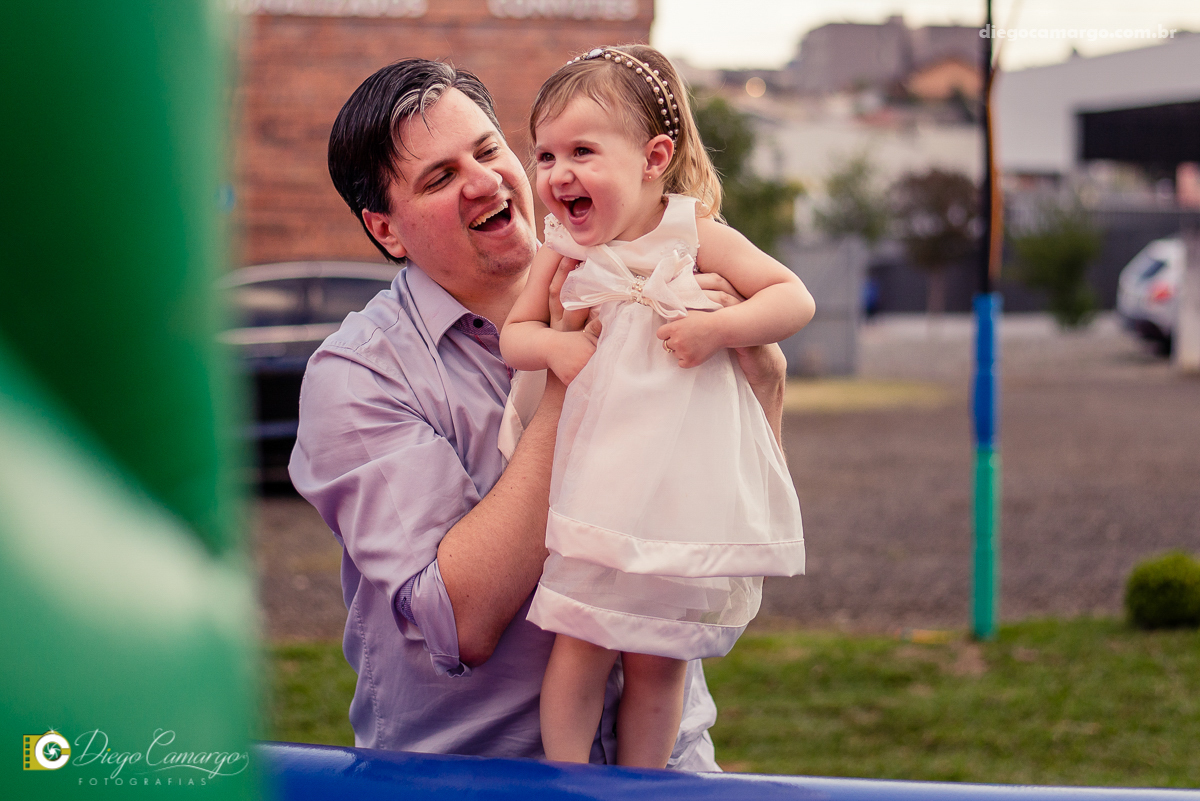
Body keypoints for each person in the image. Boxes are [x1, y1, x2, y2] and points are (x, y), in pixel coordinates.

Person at [289, 57, 789, 769]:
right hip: (472, 781)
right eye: (439, 177)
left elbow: (714, 509)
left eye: (490, 151)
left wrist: (761, 387)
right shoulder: (358, 375)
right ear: (387, 229)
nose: (486, 181)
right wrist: (575, 378)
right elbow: (461, 619)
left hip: (671, 767)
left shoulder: (647, 272)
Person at [498, 45, 814, 768]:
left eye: (581, 150)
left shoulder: (692, 231)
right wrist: (557, 349)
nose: (556, 174)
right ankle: (568, 779)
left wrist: (718, 328)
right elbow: (515, 335)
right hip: (600, 482)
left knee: (660, 657)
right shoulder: (564, 248)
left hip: (677, 489)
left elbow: (792, 296)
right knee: (579, 640)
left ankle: (645, 783)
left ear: (653, 156)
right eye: (544, 156)